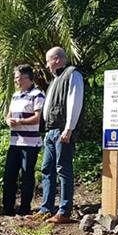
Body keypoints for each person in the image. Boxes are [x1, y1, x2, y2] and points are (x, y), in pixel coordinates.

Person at [37, 47, 84, 224]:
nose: (46, 65)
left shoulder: (73, 74)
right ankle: (46, 209)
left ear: (56, 59)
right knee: (47, 169)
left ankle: (64, 211)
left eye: (48, 61)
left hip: (62, 131)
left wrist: (69, 129)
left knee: (63, 169)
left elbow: (74, 101)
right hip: (50, 131)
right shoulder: (55, 79)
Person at [1, 65, 45, 216]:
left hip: (30, 144)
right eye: (15, 78)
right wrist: (8, 121)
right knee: (9, 175)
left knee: (27, 175)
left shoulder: (37, 94)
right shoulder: (15, 95)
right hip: (14, 142)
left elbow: (37, 118)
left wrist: (20, 122)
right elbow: (8, 115)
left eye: (18, 78)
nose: (16, 81)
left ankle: (25, 208)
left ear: (27, 78)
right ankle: (7, 208)